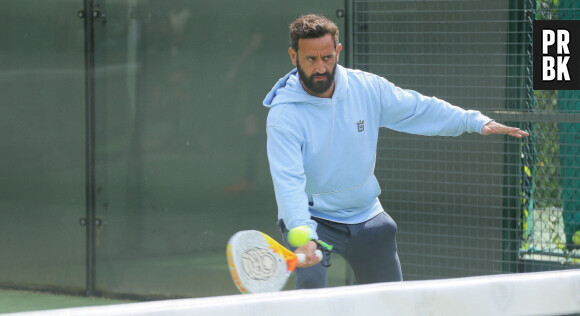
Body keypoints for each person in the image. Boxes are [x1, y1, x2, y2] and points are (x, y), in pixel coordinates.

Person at [263, 14, 529, 289]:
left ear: (338, 52)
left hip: (364, 212)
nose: (321, 67)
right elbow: (288, 181)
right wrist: (302, 233)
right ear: (293, 56)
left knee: (391, 300)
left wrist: (474, 121)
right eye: (310, 59)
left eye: (327, 57)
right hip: (312, 219)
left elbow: (418, 108)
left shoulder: (366, 88)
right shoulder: (284, 116)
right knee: (311, 288)